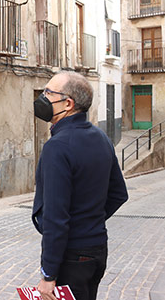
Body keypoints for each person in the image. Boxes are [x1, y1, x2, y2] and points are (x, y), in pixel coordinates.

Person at [32, 71, 128, 300]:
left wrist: (48, 274)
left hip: (71, 258)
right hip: (96, 252)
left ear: (68, 103)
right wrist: (89, 221)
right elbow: (119, 194)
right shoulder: (101, 137)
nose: (42, 98)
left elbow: (56, 216)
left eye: (48, 93)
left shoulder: (57, 147)